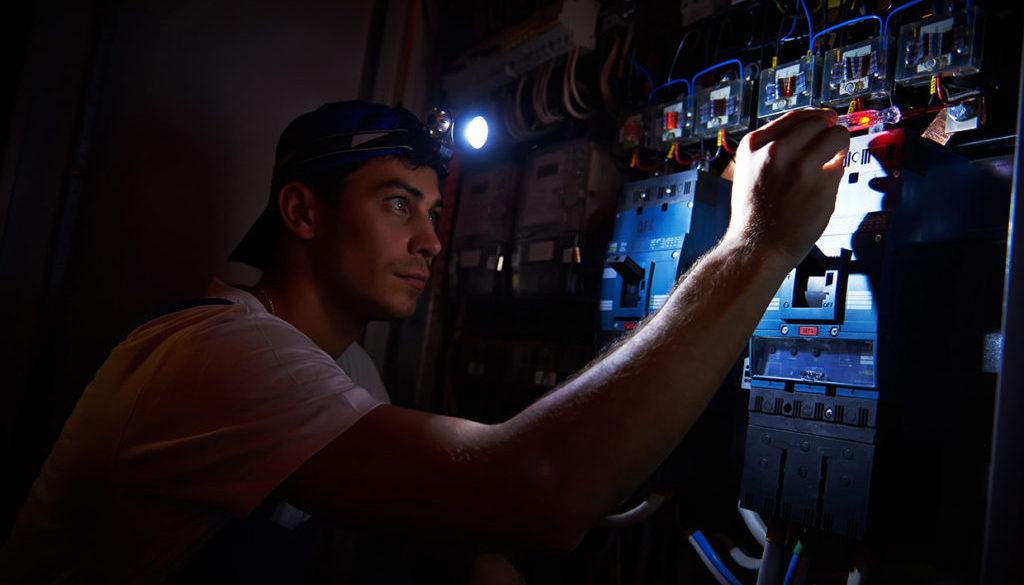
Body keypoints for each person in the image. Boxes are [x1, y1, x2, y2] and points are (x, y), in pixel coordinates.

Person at [0, 101, 848, 583]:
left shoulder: (349, 371)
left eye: (435, 213)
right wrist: (758, 244)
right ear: (300, 213)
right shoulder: (216, 355)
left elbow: (461, 532)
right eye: (397, 203)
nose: (433, 244)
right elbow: (537, 491)